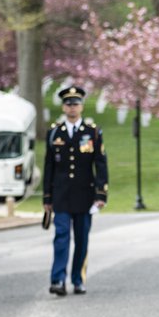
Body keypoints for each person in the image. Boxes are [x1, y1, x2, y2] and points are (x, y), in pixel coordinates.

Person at [42, 85, 107, 295]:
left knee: (81, 239)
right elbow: (49, 167)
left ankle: (78, 279)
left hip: (84, 195)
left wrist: (100, 194)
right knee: (61, 237)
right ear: (63, 107)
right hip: (61, 195)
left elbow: (100, 163)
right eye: (68, 104)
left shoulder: (92, 132)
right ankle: (58, 280)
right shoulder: (54, 133)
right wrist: (47, 197)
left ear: (81, 106)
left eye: (76, 103)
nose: (72, 107)